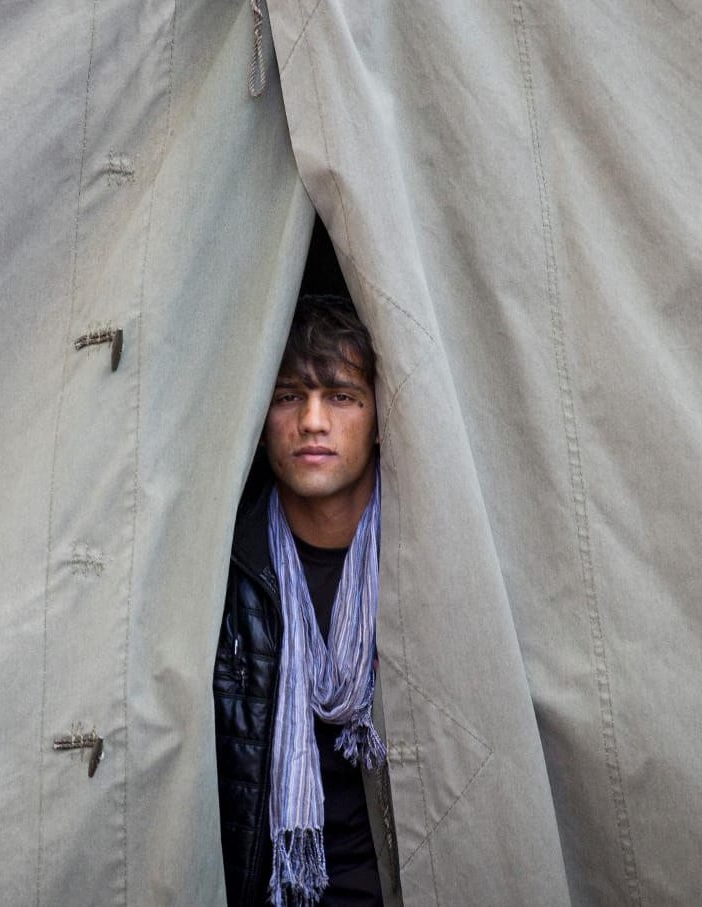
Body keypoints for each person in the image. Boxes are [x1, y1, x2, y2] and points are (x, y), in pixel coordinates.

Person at [214, 294, 399, 907]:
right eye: (289, 396)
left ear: (380, 418)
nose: (312, 421)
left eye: (341, 396)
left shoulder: (422, 560)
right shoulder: (221, 567)